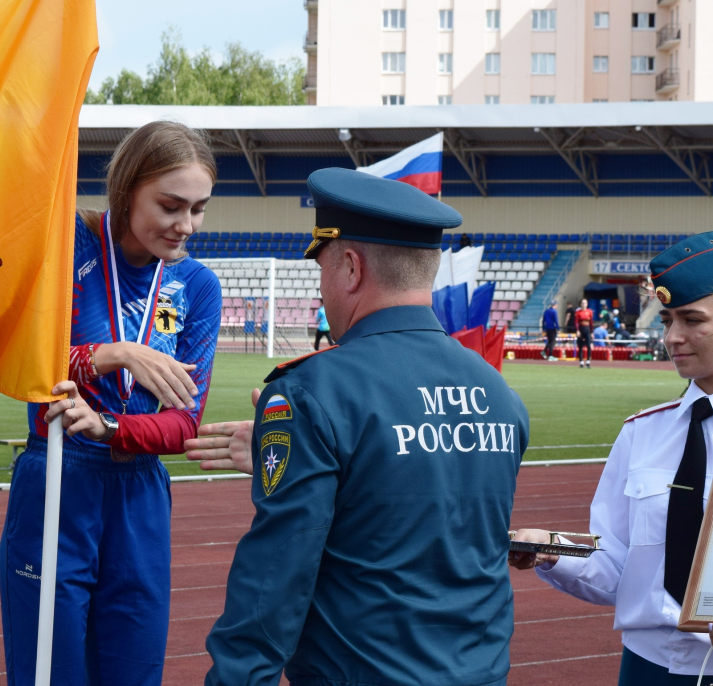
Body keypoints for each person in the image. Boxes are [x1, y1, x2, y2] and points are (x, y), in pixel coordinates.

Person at [184, 168, 529, 686]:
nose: (322, 289)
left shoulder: (312, 392)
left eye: (322, 268)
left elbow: (277, 571)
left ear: (349, 266)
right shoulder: (499, 394)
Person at [0, 122, 222, 686]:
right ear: (127, 190)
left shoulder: (196, 286)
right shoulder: (65, 242)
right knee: (49, 674)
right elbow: (21, 356)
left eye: (198, 208)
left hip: (140, 495)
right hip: (57, 478)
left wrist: (108, 426)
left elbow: (182, 424)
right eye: (170, 205)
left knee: (133, 674)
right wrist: (113, 355)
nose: (185, 226)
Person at [510, 232, 713, 685]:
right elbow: (618, 561)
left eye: (691, 319)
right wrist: (552, 548)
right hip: (649, 667)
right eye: (666, 321)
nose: (673, 337)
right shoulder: (642, 434)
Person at [575, 298, 595, 368]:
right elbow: (576, 322)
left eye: (585, 303)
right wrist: (577, 330)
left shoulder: (590, 312)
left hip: (587, 330)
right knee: (580, 347)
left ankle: (588, 361)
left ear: (587, 304)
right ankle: (581, 362)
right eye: (582, 303)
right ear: (580, 304)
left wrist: (592, 332)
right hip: (581, 329)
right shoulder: (578, 312)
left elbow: (591, 323)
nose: (584, 304)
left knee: (589, 346)